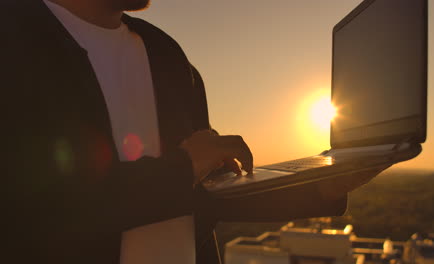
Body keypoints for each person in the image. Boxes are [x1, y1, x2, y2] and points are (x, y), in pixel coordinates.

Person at [2, 0, 386, 263]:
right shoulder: (14, 40)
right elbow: (33, 215)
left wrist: (323, 188)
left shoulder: (166, 53)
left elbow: (202, 199)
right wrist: (184, 166)